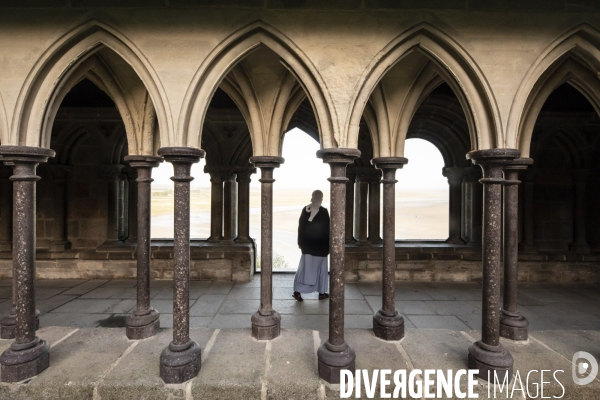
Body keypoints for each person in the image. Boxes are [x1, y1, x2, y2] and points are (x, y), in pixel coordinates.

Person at [293, 190, 330, 302]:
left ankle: (298, 291)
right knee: (320, 270)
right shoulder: (323, 211)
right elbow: (328, 231)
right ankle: (321, 293)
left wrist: (300, 242)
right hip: (320, 248)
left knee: (305, 269)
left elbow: (301, 228)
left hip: (309, 247)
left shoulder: (306, 210)